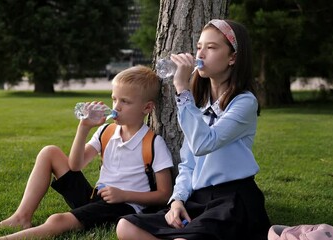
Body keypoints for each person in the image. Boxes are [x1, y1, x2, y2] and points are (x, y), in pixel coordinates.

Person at [0, 65, 174, 240]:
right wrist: (83, 128)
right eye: (114, 99)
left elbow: (164, 195)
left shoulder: (153, 143)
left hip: (124, 207)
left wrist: (124, 195)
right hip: (95, 196)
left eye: (125, 102)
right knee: (49, 152)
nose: (116, 107)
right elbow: (76, 164)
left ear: (147, 108)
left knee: (59, 221)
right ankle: (22, 216)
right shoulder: (106, 132)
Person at [116, 19, 270, 240]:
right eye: (199, 47)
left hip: (233, 199)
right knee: (126, 227)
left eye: (211, 47)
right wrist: (177, 200)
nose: (201, 54)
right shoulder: (197, 105)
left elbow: (203, 144)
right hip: (198, 199)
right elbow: (188, 163)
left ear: (232, 57)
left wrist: (182, 88)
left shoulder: (244, 102)